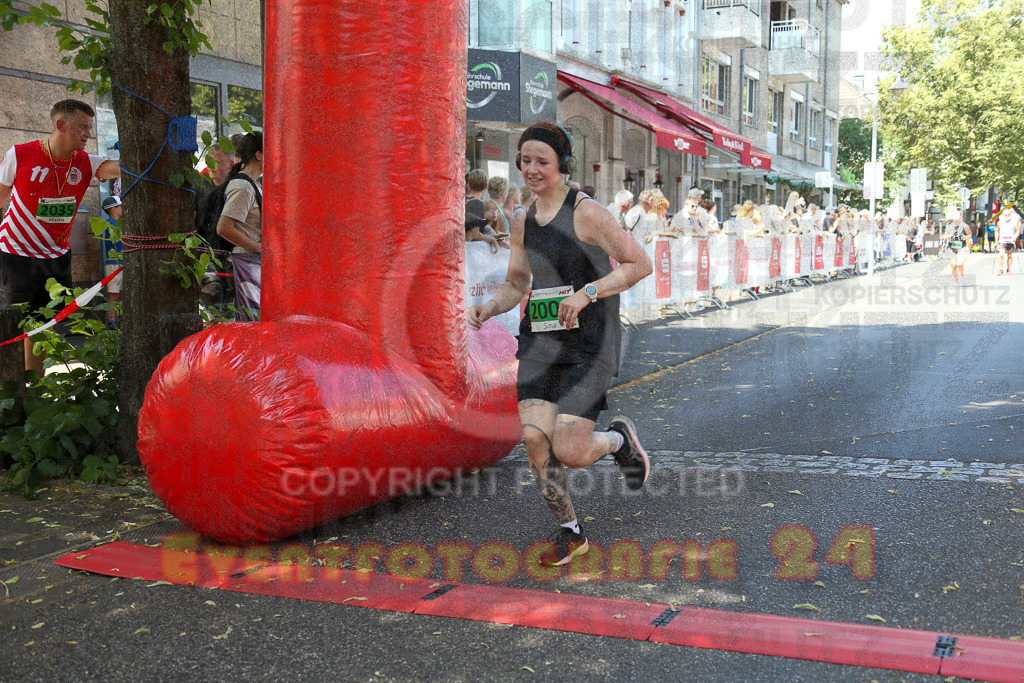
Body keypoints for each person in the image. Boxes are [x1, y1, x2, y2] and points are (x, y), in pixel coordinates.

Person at [467, 121, 652, 567]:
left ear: (562, 166)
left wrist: (587, 292)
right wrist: (490, 308)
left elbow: (638, 263)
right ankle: (571, 532)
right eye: (525, 160)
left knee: (570, 449)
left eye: (542, 161)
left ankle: (617, 440)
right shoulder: (521, 220)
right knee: (535, 443)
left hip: (590, 340)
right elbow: (516, 283)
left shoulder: (586, 213)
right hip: (540, 340)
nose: (531, 169)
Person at [0, 99, 121, 376]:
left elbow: (120, 168)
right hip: (16, 254)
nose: (88, 133)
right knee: (13, 324)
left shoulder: (87, 162)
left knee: (42, 328)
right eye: (83, 126)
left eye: (90, 127)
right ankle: (9, 396)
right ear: (60, 125)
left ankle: (34, 391)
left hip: (56, 258)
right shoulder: (20, 154)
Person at [216, 131, 263, 320]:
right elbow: (224, 228)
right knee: (249, 323)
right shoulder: (243, 186)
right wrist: (258, 247)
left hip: (253, 264)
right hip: (245, 264)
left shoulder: (256, 183)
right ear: (258, 155)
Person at [100, 195, 124, 325]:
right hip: (114, 263)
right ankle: (112, 322)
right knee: (114, 294)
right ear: (114, 209)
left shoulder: (117, 224)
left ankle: (119, 321)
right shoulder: (111, 224)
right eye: (120, 206)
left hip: (121, 263)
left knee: (121, 294)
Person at [946, 212, 972, 286]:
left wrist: (965, 237)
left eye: (957, 217)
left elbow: (969, 234)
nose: (956, 219)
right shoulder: (950, 226)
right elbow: (945, 235)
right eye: (954, 217)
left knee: (960, 263)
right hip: (951, 247)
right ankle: (956, 281)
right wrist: (949, 236)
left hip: (961, 247)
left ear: (960, 217)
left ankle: (962, 277)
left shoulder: (965, 226)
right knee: (953, 265)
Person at [995, 207, 1021, 275]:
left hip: (1011, 240)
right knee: (1001, 255)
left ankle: (1009, 269)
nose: (1007, 216)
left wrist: (1015, 237)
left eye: (1008, 215)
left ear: (1010, 215)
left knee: (1009, 255)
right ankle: (1000, 269)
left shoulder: (1015, 221)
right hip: (1002, 240)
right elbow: (997, 231)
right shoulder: (1000, 222)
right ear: (1003, 215)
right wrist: (996, 240)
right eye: (1005, 215)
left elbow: (1018, 230)